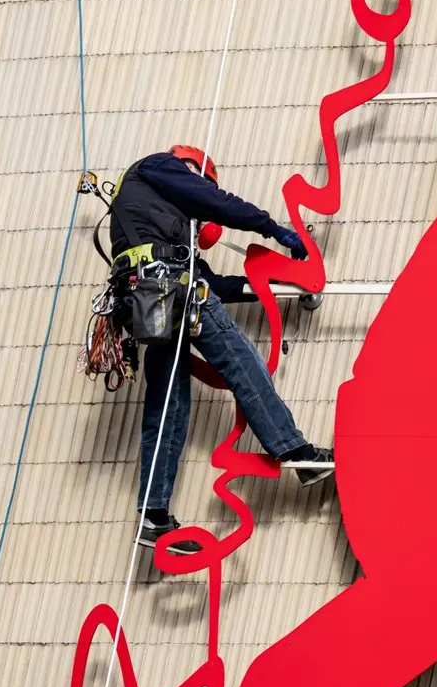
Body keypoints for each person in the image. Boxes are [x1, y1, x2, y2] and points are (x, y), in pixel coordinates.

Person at [108, 144, 333, 548]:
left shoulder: (145, 212)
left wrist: (270, 289)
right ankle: (295, 452)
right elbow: (214, 202)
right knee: (242, 362)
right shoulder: (161, 166)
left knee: (167, 406)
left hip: (147, 300)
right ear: (192, 168)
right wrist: (271, 228)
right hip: (174, 289)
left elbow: (218, 284)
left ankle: (153, 516)